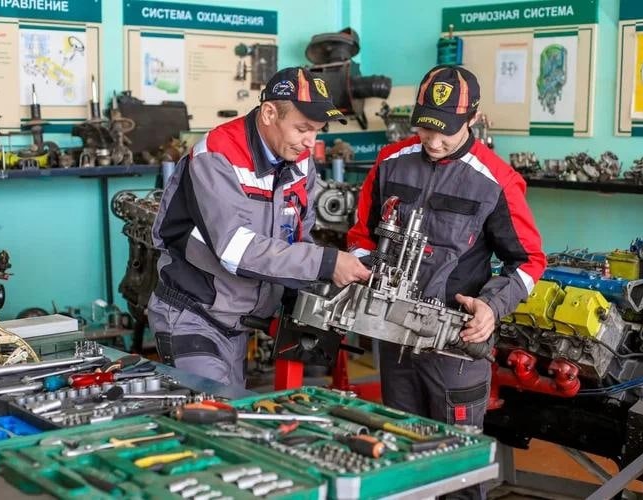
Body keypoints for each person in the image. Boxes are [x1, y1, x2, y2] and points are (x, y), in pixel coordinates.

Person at [347, 65, 546, 496]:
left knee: (458, 473)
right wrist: (364, 270)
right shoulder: (390, 162)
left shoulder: (496, 181)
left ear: (472, 118)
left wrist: (492, 307)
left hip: (455, 349)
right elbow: (362, 236)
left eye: (445, 131)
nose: (433, 142)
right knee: (401, 462)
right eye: (425, 127)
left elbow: (529, 261)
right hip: (393, 340)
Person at [148, 67, 371, 390]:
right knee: (212, 411)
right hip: (192, 317)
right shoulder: (217, 156)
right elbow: (235, 249)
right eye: (303, 129)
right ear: (269, 113)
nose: (311, 142)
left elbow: (300, 235)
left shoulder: (300, 160)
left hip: (238, 325)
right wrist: (326, 263)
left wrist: (303, 296)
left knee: (234, 410)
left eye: (317, 131)